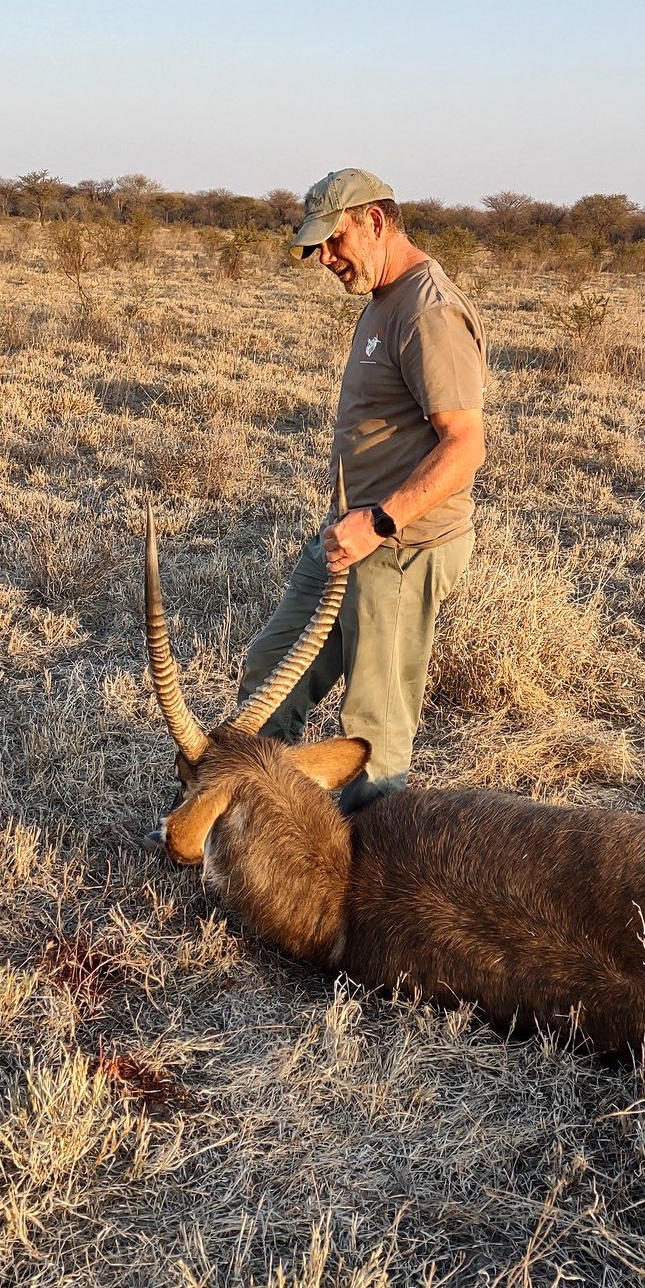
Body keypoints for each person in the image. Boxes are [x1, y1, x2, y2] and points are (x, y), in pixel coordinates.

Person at [237, 168, 486, 810]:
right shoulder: (383, 295)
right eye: (316, 246)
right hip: (349, 539)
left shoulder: (428, 310)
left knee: (372, 734)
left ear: (374, 221)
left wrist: (378, 522)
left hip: (399, 547)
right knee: (269, 674)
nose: (324, 259)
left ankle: (360, 883)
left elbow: (465, 447)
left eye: (333, 241)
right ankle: (261, 824)